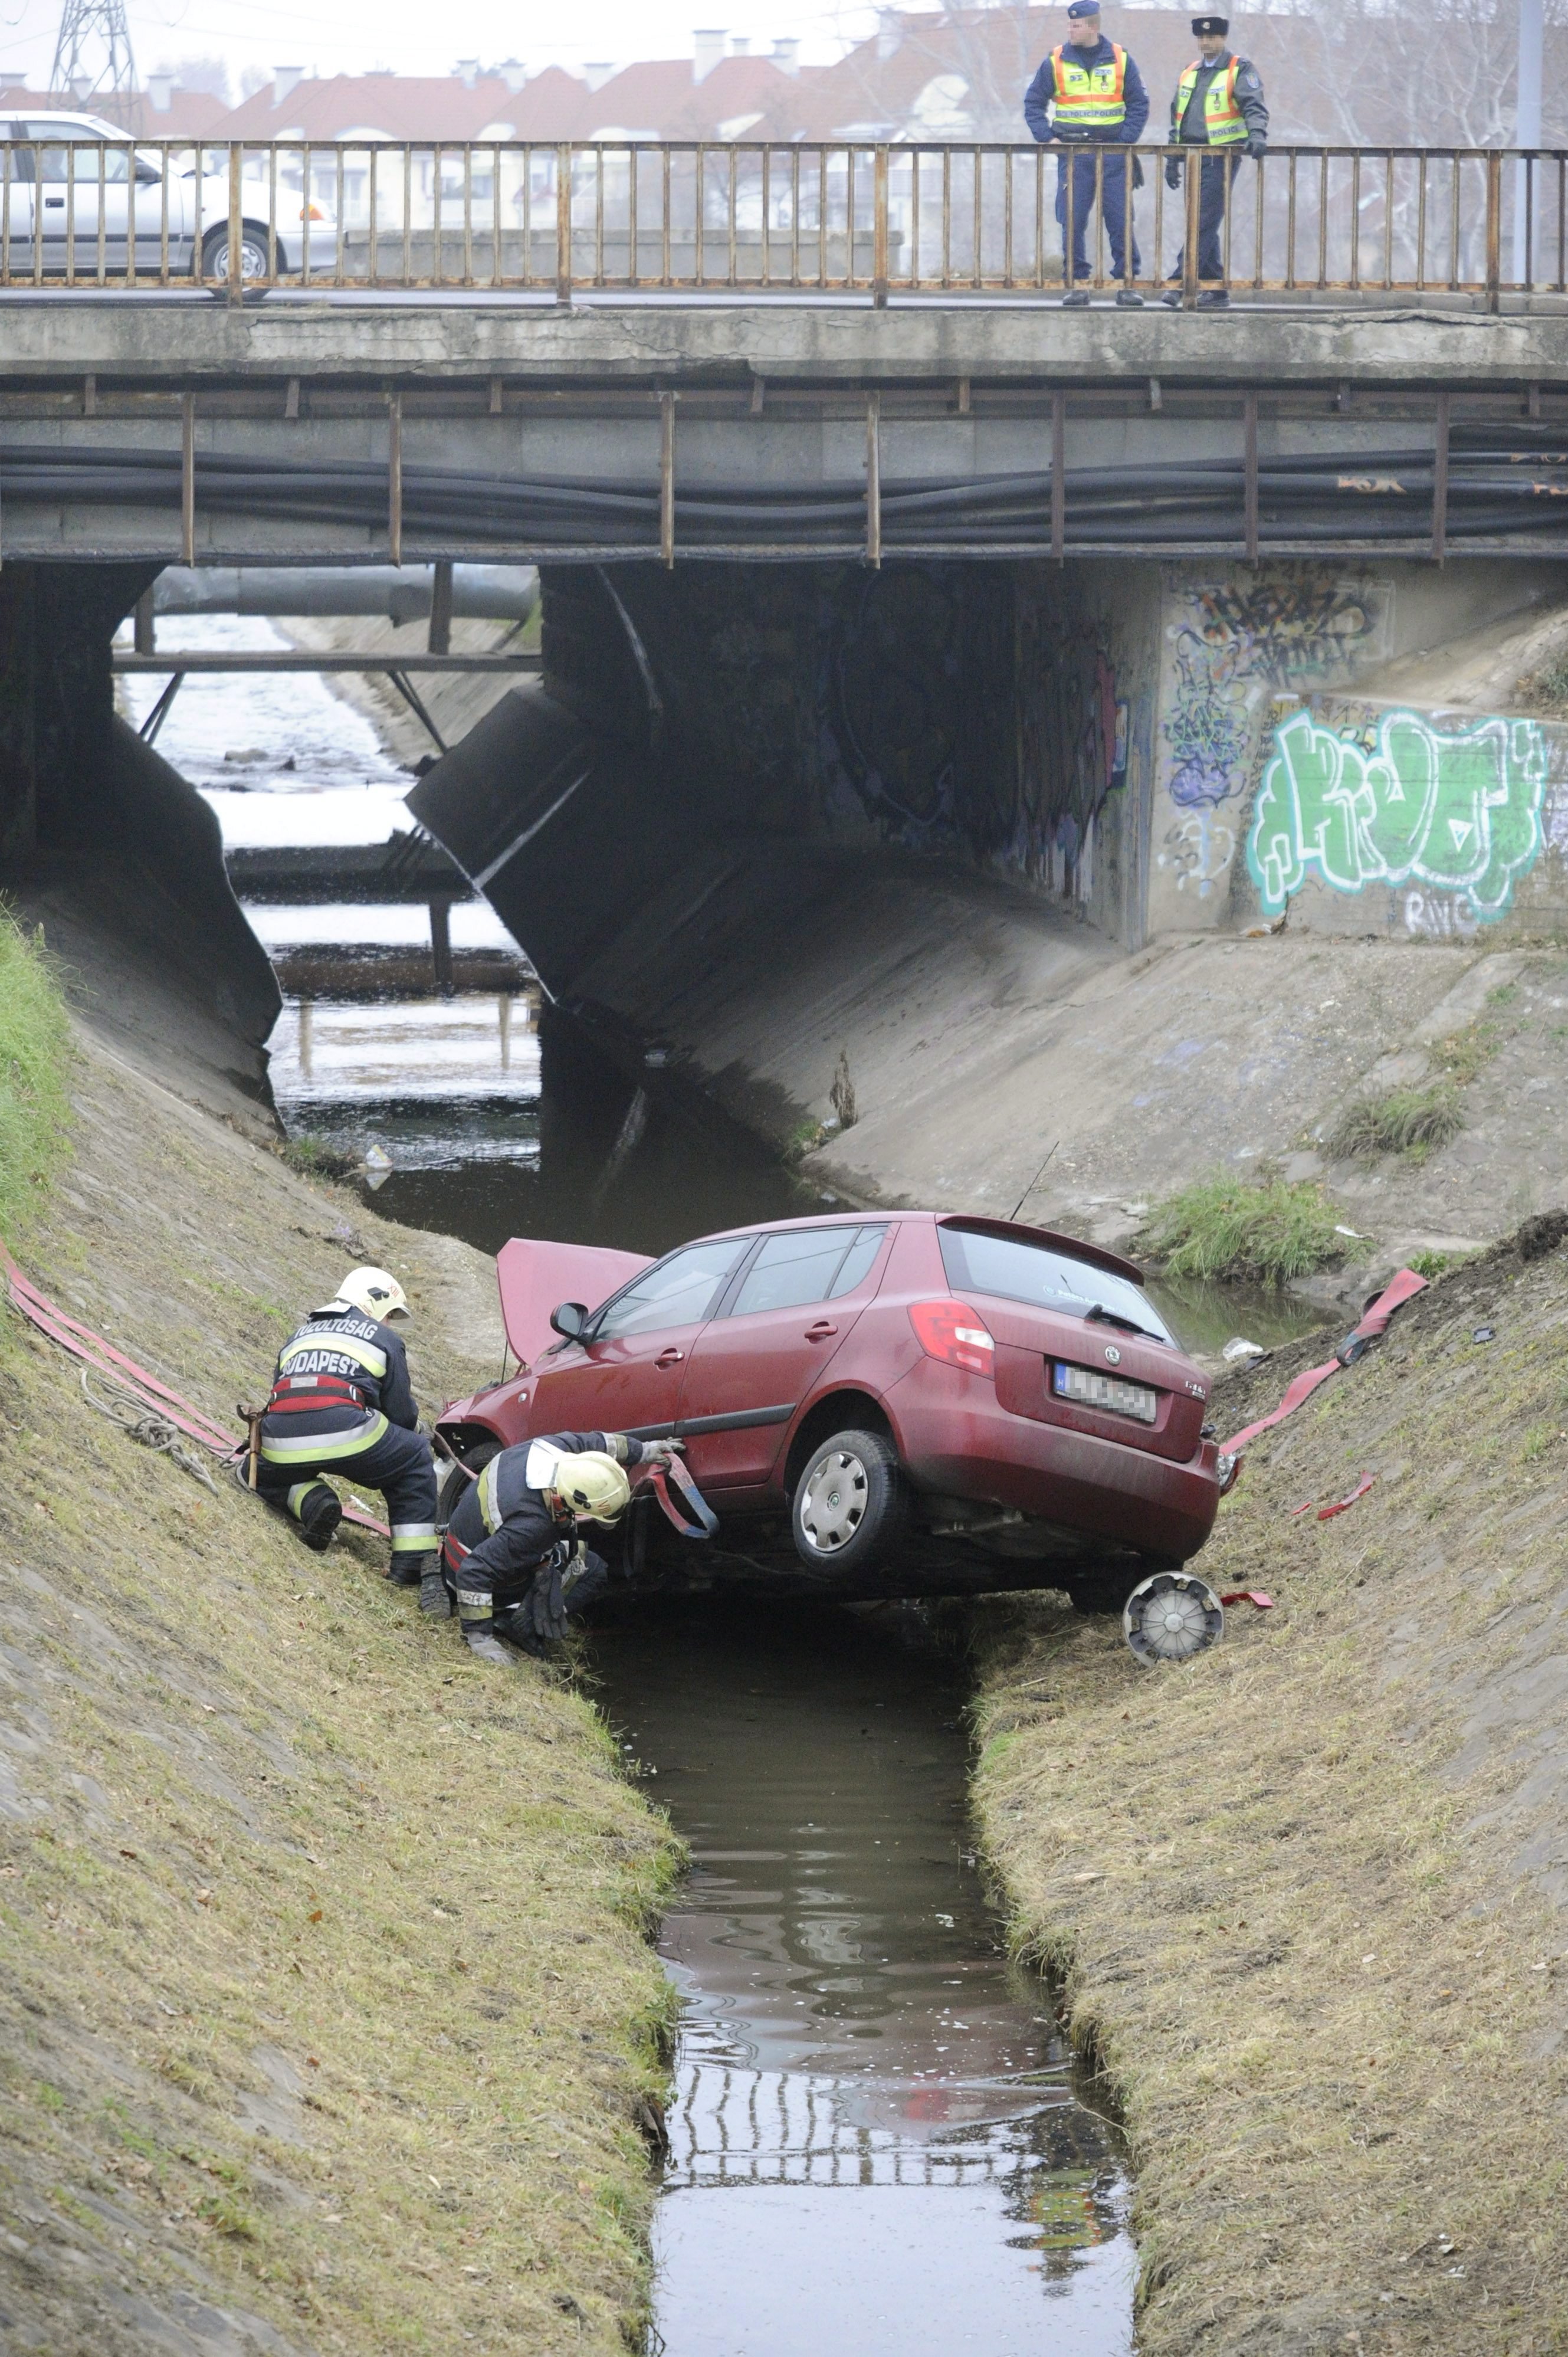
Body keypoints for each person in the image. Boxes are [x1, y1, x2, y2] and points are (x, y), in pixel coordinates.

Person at [255, 1266, 442, 1612]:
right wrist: (418, 1435)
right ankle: (412, 1563)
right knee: (415, 1457)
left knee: (258, 1473)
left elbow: (280, 1392)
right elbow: (402, 1415)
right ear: (374, 1304)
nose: (389, 1324)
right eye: (389, 1316)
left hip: (280, 1437)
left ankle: (315, 1503)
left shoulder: (298, 1334)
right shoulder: (384, 1339)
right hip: (348, 1431)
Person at [441, 1430, 683, 1665]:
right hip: (468, 1573)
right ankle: (520, 1617)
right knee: (594, 1570)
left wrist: (646, 1450)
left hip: (466, 1540)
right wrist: (480, 1638)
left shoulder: (551, 1449)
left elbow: (601, 1442)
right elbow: (474, 1571)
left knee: (566, 1556)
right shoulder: (535, 1525)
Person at [1024, 0, 1150, 307]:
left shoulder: (1121, 59)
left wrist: (1126, 140)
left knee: (1120, 220)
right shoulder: (1056, 60)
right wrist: (1047, 139)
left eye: (1076, 25)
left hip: (1114, 154)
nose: (1070, 29)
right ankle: (1078, 284)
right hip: (1074, 153)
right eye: (1069, 24)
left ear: (1093, 26)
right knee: (1072, 219)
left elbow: (1139, 104)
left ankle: (1126, 284)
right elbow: (1033, 103)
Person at [1161, 15, 1268, 309]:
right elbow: (1177, 117)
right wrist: (1172, 158)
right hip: (1192, 156)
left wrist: (1257, 134)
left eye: (1211, 37)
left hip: (1221, 155)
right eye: (1201, 38)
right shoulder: (1190, 71)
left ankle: (1180, 280)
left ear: (1223, 38)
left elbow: (1254, 105)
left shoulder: (1239, 69)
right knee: (1200, 221)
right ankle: (1216, 289)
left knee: (1203, 221)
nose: (1206, 42)